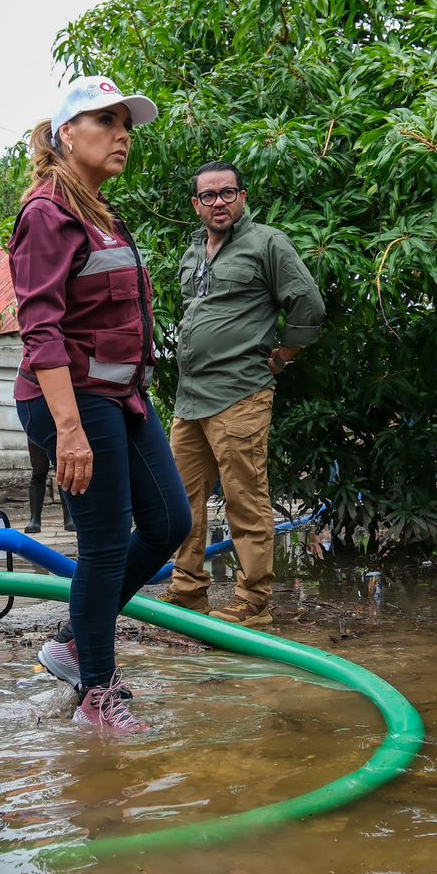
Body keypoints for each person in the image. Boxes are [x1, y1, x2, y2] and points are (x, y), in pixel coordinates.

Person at [9, 75, 192, 734]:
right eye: (106, 121)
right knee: (107, 541)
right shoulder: (47, 212)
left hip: (121, 397)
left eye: (126, 125)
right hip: (72, 399)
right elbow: (41, 327)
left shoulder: (103, 213)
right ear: (66, 135)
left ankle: (75, 642)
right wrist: (69, 432)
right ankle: (96, 691)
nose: (122, 135)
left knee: (171, 522)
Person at [163, 161, 325, 628]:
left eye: (227, 193)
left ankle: (253, 602)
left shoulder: (267, 243)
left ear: (243, 197)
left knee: (244, 498)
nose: (219, 202)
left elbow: (308, 303)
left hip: (240, 393)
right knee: (180, 501)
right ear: (197, 205)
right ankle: (187, 591)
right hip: (190, 398)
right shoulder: (194, 251)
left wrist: (284, 354)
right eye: (209, 196)